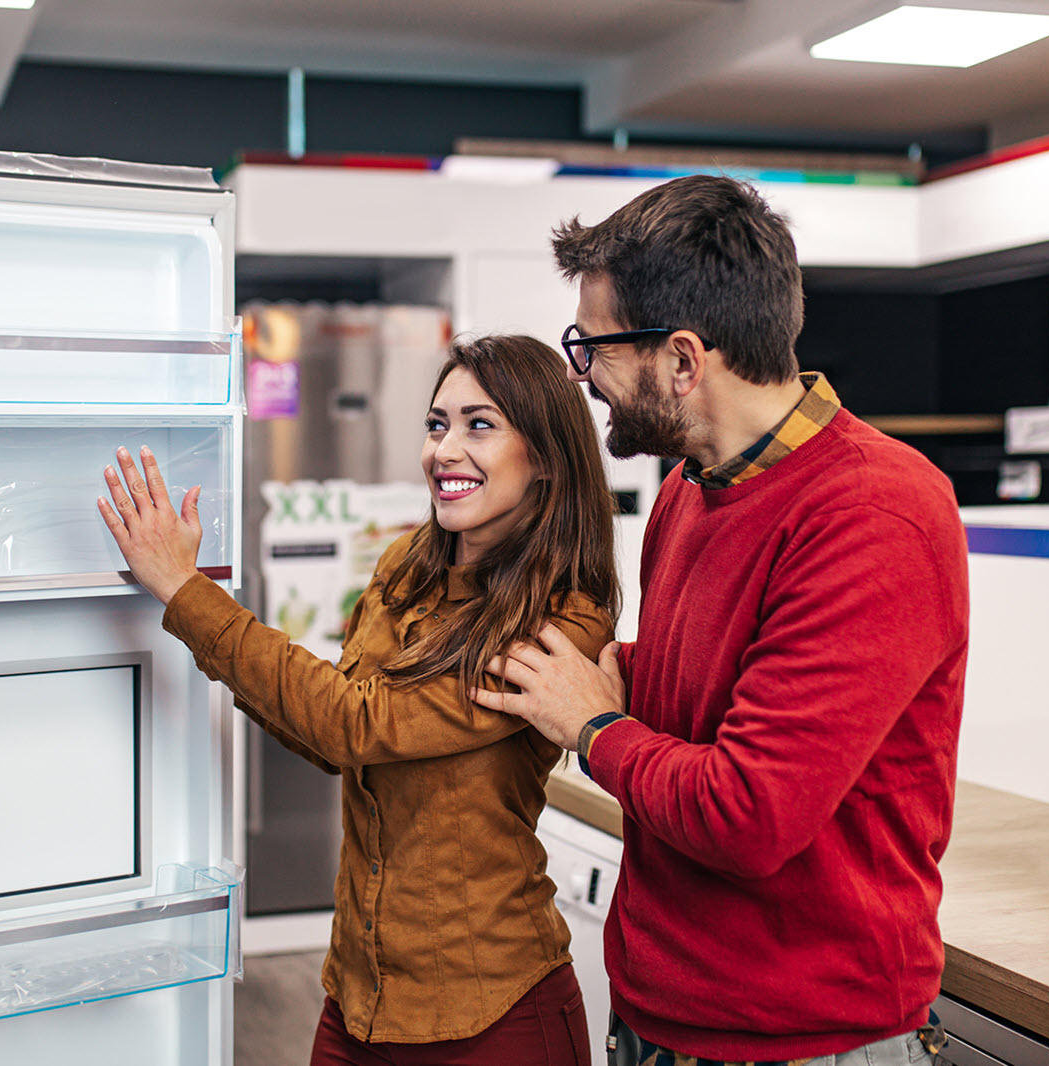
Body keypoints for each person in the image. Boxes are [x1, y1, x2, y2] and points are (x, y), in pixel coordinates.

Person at [470, 175, 970, 1066]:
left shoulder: (875, 514)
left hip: (804, 1041)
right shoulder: (690, 491)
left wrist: (591, 722)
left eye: (595, 350)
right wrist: (586, 663)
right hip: (663, 1013)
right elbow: (695, 685)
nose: (586, 379)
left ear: (683, 361)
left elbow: (748, 814)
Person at [97, 334, 619, 1066]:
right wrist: (206, 644)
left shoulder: (558, 622)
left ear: (544, 460)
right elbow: (331, 738)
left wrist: (189, 596)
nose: (444, 449)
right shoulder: (406, 563)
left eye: (480, 424)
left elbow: (355, 723)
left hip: (493, 1013)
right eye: (437, 424)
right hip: (359, 996)